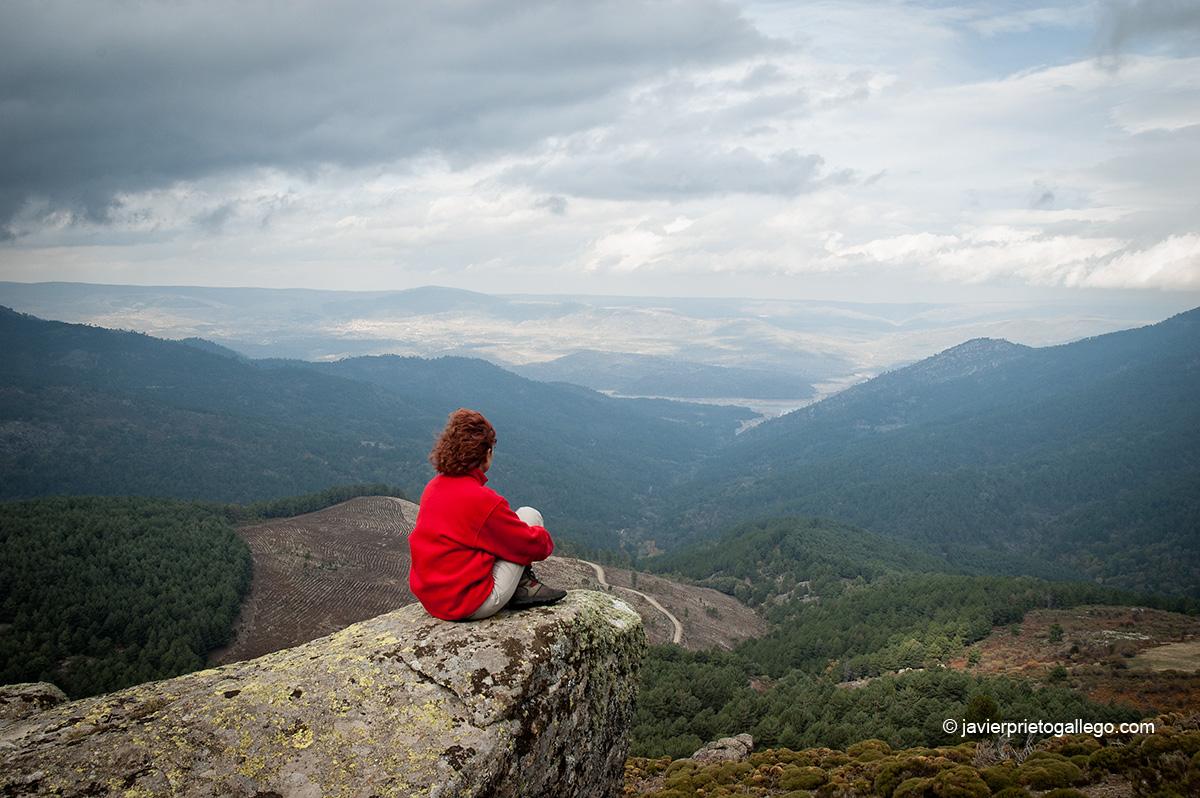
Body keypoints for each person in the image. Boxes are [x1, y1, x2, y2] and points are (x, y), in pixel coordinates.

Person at [409, 408, 567, 621]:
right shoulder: (482, 500)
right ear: (486, 453)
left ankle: (521, 586)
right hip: (470, 604)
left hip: (434, 601)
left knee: (496, 540)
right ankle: (525, 586)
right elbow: (532, 546)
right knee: (529, 515)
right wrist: (543, 538)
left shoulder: (433, 487)